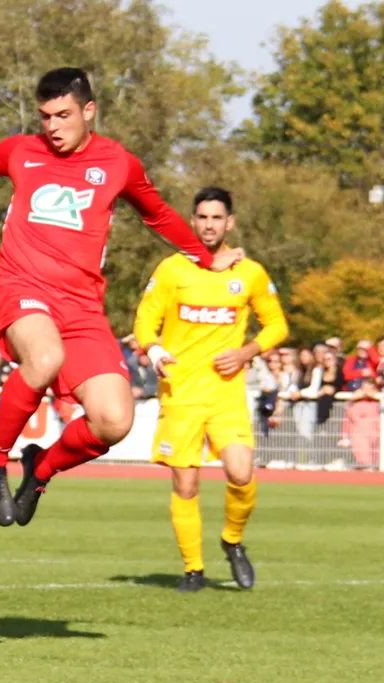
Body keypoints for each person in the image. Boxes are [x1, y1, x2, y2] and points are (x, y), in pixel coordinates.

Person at [0, 67, 243, 526]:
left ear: (89, 111)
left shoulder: (118, 163)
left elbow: (159, 214)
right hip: (21, 286)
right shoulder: (24, 150)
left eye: (63, 115)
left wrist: (206, 257)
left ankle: (40, 469)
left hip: (81, 305)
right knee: (44, 358)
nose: (52, 126)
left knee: (114, 420)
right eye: (45, 116)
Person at [131, 187, 288, 592]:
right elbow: (144, 322)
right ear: (192, 221)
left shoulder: (249, 272)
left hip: (225, 393)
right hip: (180, 392)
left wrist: (246, 352)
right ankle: (194, 569)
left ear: (229, 223)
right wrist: (154, 349)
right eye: (202, 217)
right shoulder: (172, 269)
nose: (209, 225)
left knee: (241, 472)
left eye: (217, 218)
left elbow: (277, 325)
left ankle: (232, 540)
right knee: (186, 485)